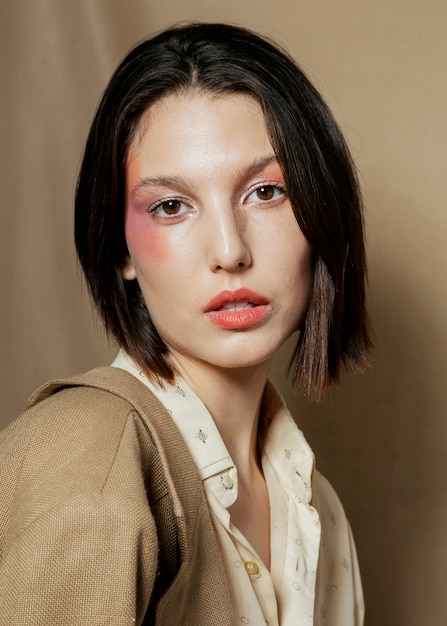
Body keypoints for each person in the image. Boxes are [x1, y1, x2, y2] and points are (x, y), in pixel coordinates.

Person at [0, 22, 371, 625]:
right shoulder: (85, 451)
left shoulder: (318, 510)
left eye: (266, 192)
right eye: (171, 206)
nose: (229, 250)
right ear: (118, 247)